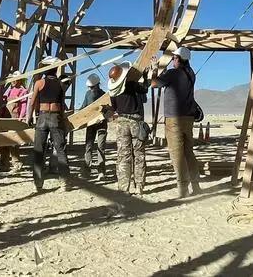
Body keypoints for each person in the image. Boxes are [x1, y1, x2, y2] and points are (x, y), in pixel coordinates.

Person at [151, 44, 201, 198]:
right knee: (188, 153)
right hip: (188, 118)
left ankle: (183, 189)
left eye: (174, 57)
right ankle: (196, 185)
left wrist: (154, 69)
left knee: (176, 155)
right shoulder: (191, 73)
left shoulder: (173, 74)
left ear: (179, 59)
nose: (173, 59)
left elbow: (154, 84)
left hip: (174, 119)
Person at [28, 56, 70, 191]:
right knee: (60, 149)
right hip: (56, 117)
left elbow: (32, 102)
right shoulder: (60, 84)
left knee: (39, 150)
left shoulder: (39, 83)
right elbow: (62, 104)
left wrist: (29, 117)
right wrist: (63, 119)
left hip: (43, 116)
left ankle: (38, 183)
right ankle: (64, 182)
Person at [107, 63, 148, 195]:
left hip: (121, 123)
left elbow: (114, 108)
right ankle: (139, 186)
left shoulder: (113, 92)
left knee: (123, 156)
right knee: (139, 155)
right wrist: (145, 76)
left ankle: (124, 187)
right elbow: (144, 89)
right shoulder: (131, 84)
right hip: (135, 121)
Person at [80, 74, 108, 181]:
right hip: (90, 124)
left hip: (101, 125)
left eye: (92, 87)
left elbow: (109, 111)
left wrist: (103, 115)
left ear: (97, 85)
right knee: (88, 146)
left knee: (101, 147)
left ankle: (101, 171)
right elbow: (83, 107)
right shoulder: (87, 94)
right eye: (89, 87)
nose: (90, 89)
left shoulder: (104, 96)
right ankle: (87, 170)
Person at [0, 76, 28, 172]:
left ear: (19, 80)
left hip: (15, 118)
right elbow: (4, 104)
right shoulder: (9, 91)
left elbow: (23, 106)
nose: (13, 81)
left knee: (13, 142)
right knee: (3, 141)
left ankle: (16, 163)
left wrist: (21, 118)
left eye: (15, 79)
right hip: (6, 118)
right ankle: (4, 163)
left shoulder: (23, 91)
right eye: (12, 80)